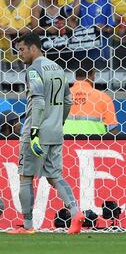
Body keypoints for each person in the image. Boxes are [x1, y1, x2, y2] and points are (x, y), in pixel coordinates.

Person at [8, 32, 84, 234]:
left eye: (22, 50)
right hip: (55, 131)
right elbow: (68, 101)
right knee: (55, 176)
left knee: (25, 176)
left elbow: (39, 100)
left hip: (37, 131)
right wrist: (58, 122)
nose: (20, 55)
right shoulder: (58, 68)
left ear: (34, 48)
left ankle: (27, 226)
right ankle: (76, 212)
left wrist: (34, 132)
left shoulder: (33, 70)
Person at [63, 58, 119, 134]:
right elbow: (113, 131)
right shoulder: (103, 97)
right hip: (95, 144)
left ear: (75, 75)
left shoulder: (62, 96)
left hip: (67, 144)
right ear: (92, 74)